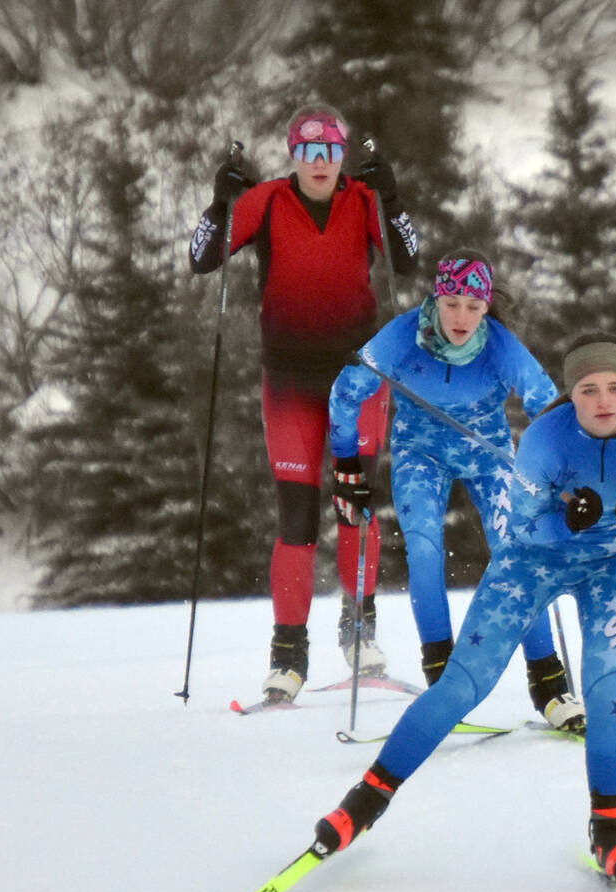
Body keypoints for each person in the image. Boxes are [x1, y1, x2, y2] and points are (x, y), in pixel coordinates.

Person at [304, 336, 616, 886]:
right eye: (589, 389)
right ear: (571, 394)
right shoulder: (545, 441)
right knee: (461, 685)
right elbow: (524, 526)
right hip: (533, 561)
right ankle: (364, 801)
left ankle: (610, 830)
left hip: (614, 565)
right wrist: (567, 522)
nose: (604, 400)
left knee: (608, 688)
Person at [188, 102, 422, 703]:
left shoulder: (363, 201)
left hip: (358, 380)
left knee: (353, 503)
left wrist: (390, 201)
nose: (319, 163)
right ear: (293, 155)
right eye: (307, 152)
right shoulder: (265, 201)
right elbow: (201, 258)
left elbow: (409, 259)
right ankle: (288, 654)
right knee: (296, 514)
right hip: (290, 379)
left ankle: (359, 629)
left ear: (343, 156)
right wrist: (222, 204)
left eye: (330, 151)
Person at [328, 249, 583, 730]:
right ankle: (442, 680)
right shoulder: (405, 334)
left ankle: (549, 685)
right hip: (418, 453)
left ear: (487, 306)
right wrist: (346, 464)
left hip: (488, 454)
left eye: (473, 305)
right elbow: (346, 390)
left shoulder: (501, 346)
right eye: (452, 303)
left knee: (518, 552)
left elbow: (547, 407)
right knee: (424, 550)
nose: (461, 316)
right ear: (437, 297)